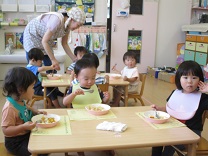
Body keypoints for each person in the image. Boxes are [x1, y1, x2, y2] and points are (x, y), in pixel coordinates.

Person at [151, 60, 208, 156]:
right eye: (185, 77)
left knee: (171, 141)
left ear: (200, 80)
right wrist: (158, 108)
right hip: (173, 127)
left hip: (191, 132)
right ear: (179, 79)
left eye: (194, 78)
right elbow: (170, 108)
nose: (190, 81)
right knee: (157, 136)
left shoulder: (203, 98)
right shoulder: (175, 93)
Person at [1, 67, 48, 156]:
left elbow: (24, 106)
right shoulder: (9, 108)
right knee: (41, 152)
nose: (34, 90)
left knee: (46, 143)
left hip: (25, 133)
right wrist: (23, 127)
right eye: (32, 87)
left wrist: (35, 111)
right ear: (21, 89)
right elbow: (6, 130)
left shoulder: (19, 99)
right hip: (16, 142)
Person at [23, 7, 86, 72]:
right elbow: (44, 41)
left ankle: (49, 81)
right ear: (72, 20)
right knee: (35, 67)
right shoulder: (57, 20)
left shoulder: (67, 27)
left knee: (52, 68)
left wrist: (74, 58)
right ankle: (35, 81)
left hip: (45, 40)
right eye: (78, 25)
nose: (78, 28)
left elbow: (64, 44)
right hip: (32, 37)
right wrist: (53, 59)